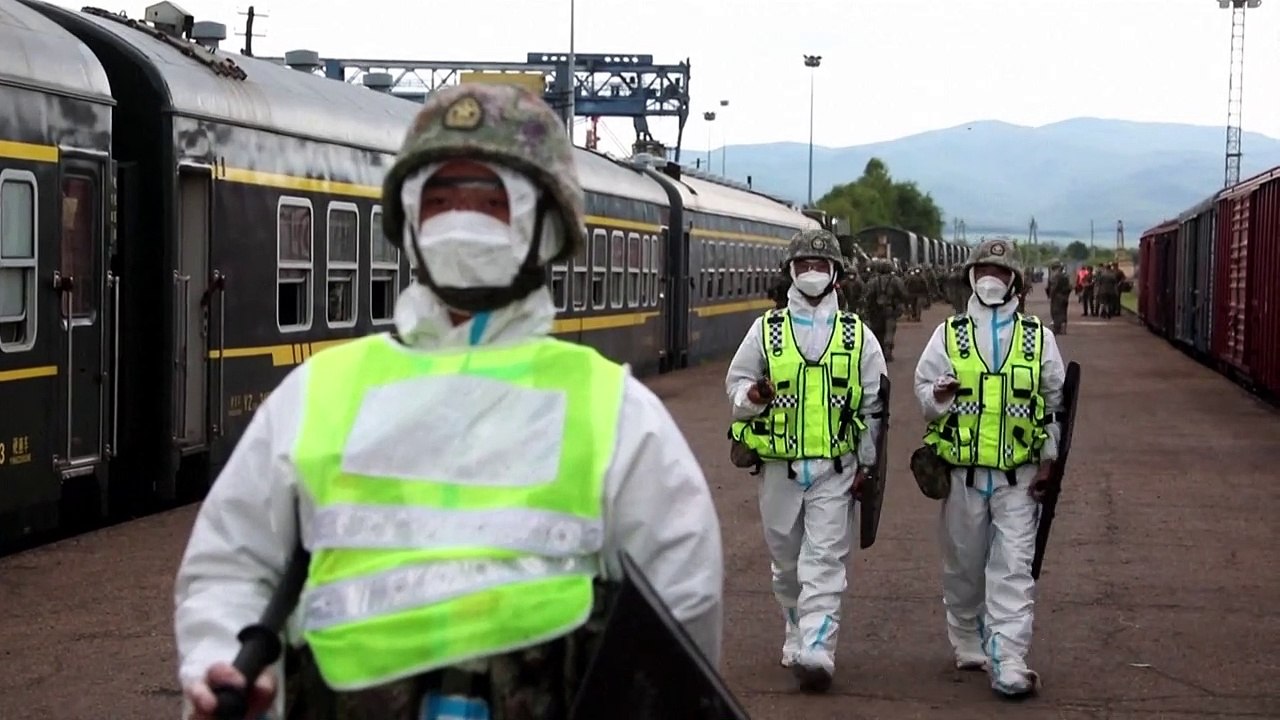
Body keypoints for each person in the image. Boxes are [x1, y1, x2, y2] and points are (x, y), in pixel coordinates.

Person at [174, 84, 724, 720]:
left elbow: (678, 619)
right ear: (408, 222)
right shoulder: (317, 394)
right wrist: (225, 664)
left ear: (545, 226)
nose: (461, 218)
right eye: (439, 200)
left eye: (490, 201)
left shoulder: (616, 412)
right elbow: (230, 566)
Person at [725, 229, 887, 694]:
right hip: (778, 468)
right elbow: (735, 386)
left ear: (836, 274)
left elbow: (874, 407)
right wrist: (752, 396)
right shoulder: (766, 330)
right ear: (790, 273)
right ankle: (796, 627)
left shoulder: (859, 336)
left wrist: (868, 467)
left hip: (835, 470)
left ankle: (818, 647)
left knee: (825, 558)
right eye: (803, 266)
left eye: (820, 266)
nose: (811, 273)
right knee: (786, 561)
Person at [911, 237, 1066, 699]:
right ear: (971, 278)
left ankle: (1010, 658)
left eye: (999, 273)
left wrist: (1049, 460)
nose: (991, 280)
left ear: (1014, 280)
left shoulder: (1039, 338)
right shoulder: (949, 334)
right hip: (963, 476)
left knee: (1013, 570)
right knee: (964, 567)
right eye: (983, 273)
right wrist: (937, 396)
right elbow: (923, 394)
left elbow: (1056, 403)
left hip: (1018, 480)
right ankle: (965, 635)